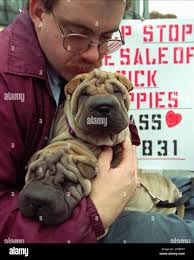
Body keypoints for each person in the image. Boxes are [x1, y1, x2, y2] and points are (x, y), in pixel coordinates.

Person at [0, 0, 194, 244]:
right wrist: (95, 214)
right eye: (77, 34)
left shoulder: (65, 58)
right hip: (70, 220)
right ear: (39, 12)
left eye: (107, 36)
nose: (94, 54)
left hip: (102, 190)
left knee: (186, 189)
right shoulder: (6, 83)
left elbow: (113, 125)